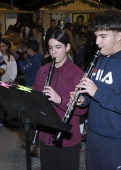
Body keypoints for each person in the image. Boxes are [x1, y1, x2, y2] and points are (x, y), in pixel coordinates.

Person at [71, 10, 121, 170]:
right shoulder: (100, 58)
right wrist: (83, 100)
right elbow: (93, 95)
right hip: (93, 135)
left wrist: (96, 92)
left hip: (117, 141)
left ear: (119, 35)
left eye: (103, 36)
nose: (97, 42)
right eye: (96, 36)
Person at [33, 29, 87, 170]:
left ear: (68, 47)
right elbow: (35, 102)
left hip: (67, 138)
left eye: (58, 47)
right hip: (46, 136)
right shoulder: (42, 71)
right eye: (50, 48)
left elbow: (82, 111)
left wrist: (59, 100)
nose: (53, 52)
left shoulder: (78, 74)